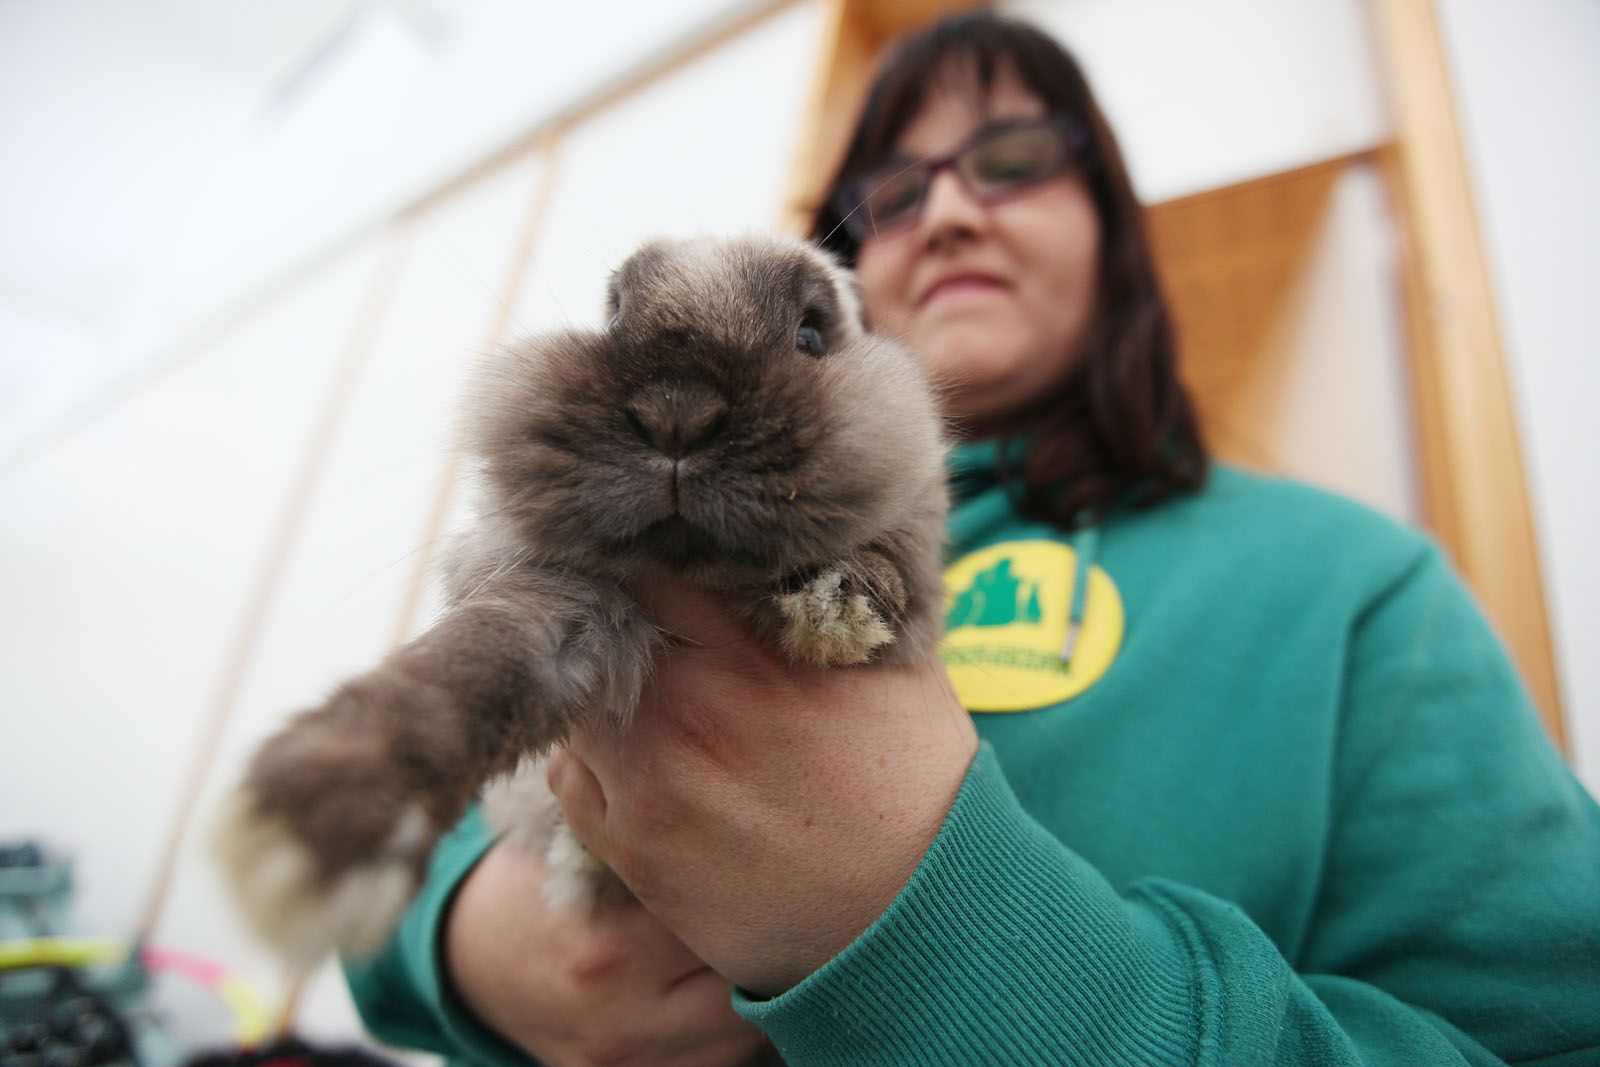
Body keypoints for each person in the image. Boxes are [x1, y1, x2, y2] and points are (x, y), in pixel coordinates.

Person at [343, 12, 1600, 1066]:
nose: (943, 212)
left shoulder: (1354, 588)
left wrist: (959, 941)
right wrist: (479, 942)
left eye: (1009, 160)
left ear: (1113, 225)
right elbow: (372, 865)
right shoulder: (645, 510)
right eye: (889, 191)